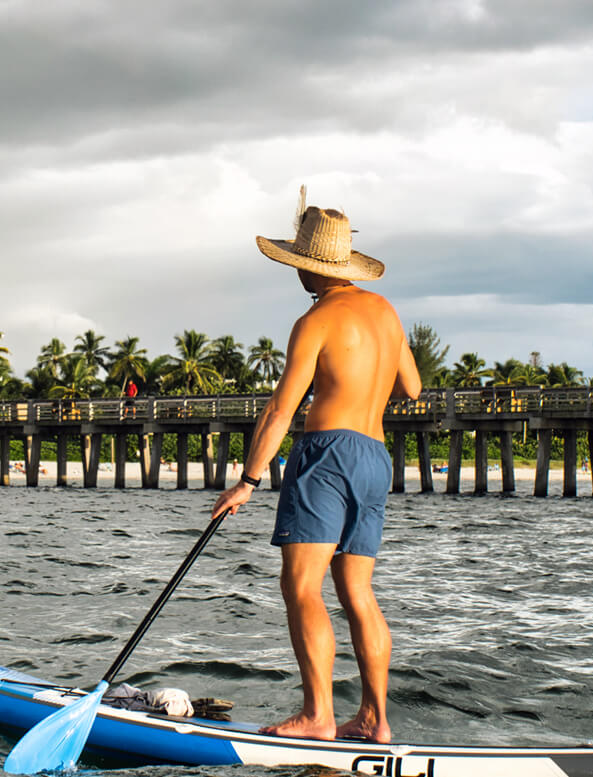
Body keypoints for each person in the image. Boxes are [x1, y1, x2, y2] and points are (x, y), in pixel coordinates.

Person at [211, 198, 421, 744]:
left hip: (327, 453)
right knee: (358, 593)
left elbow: (281, 409)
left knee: (302, 585)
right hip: (375, 458)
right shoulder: (386, 311)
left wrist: (248, 481)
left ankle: (318, 716)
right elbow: (412, 387)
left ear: (312, 266)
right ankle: (375, 719)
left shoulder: (315, 321)